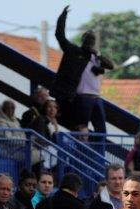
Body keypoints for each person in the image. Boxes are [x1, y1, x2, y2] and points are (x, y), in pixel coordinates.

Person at [52, 5, 113, 134]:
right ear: (83, 40)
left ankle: (98, 153)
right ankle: (82, 152)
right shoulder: (73, 51)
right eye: (88, 38)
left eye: (92, 39)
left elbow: (110, 66)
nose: (90, 41)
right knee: (81, 129)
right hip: (82, 97)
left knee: (101, 131)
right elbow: (60, 36)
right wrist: (62, 18)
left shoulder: (96, 56)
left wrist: (97, 54)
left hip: (96, 97)